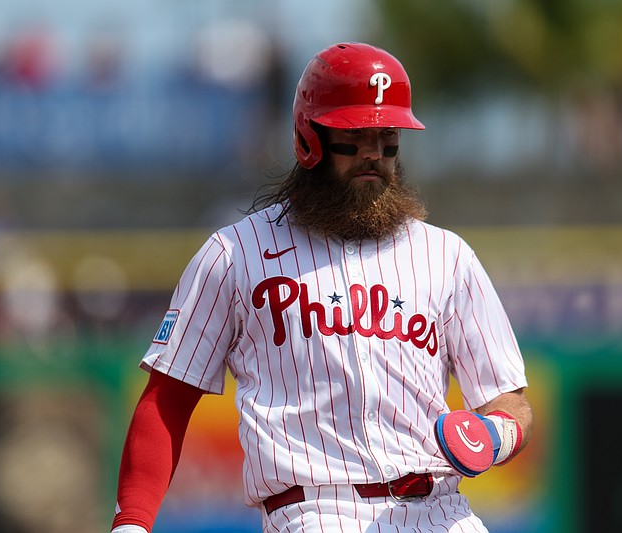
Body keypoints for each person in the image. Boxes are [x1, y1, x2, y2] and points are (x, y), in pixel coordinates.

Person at [111, 41, 533, 533]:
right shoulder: (236, 254)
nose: (374, 153)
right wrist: (133, 523)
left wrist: (495, 434)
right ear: (310, 138)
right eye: (356, 136)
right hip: (315, 511)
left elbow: (510, 402)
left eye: (387, 135)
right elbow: (167, 398)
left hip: (442, 511)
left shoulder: (446, 255)